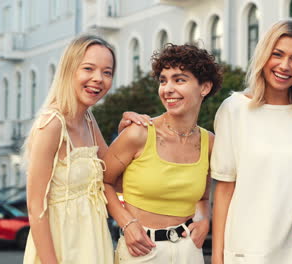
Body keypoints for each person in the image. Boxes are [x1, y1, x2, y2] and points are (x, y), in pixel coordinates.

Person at [211, 20, 292, 264]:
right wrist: (218, 258)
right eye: (277, 54)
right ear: (264, 56)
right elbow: (224, 190)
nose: (285, 66)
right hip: (247, 251)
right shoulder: (234, 110)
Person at [102, 44, 222, 264]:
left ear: (204, 87)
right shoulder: (138, 133)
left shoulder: (209, 142)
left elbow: (203, 197)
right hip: (141, 251)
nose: (167, 89)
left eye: (179, 80)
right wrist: (126, 223)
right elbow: (103, 182)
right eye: (163, 80)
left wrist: (205, 219)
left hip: (189, 251)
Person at [23, 35, 118, 264]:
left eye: (107, 72)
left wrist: (129, 126)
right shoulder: (52, 125)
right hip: (62, 246)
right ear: (69, 70)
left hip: (93, 242)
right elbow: (35, 206)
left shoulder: (88, 118)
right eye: (89, 68)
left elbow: (112, 172)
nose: (98, 79)